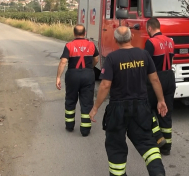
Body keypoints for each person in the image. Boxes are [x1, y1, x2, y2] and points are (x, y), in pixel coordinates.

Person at [89, 26, 167, 176]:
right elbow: (155, 79)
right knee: (147, 144)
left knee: (116, 146)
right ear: (131, 38)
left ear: (116, 40)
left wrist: (95, 108)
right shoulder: (144, 54)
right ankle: (158, 173)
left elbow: (105, 85)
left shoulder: (112, 58)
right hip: (141, 107)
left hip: (118, 108)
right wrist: (161, 100)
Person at [56, 24, 99, 136]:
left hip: (72, 75)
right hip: (88, 74)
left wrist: (58, 77)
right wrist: (90, 68)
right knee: (87, 102)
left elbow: (63, 62)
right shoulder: (91, 45)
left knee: (70, 100)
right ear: (85, 33)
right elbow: (96, 59)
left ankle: (69, 126)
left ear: (74, 33)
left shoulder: (69, 45)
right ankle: (85, 130)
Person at [144, 18, 176, 156]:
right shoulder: (170, 41)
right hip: (169, 77)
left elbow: (146, 64)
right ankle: (166, 147)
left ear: (150, 28)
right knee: (165, 111)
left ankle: (157, 135)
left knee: (146, 107)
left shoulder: (150, 42)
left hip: (156, 78)